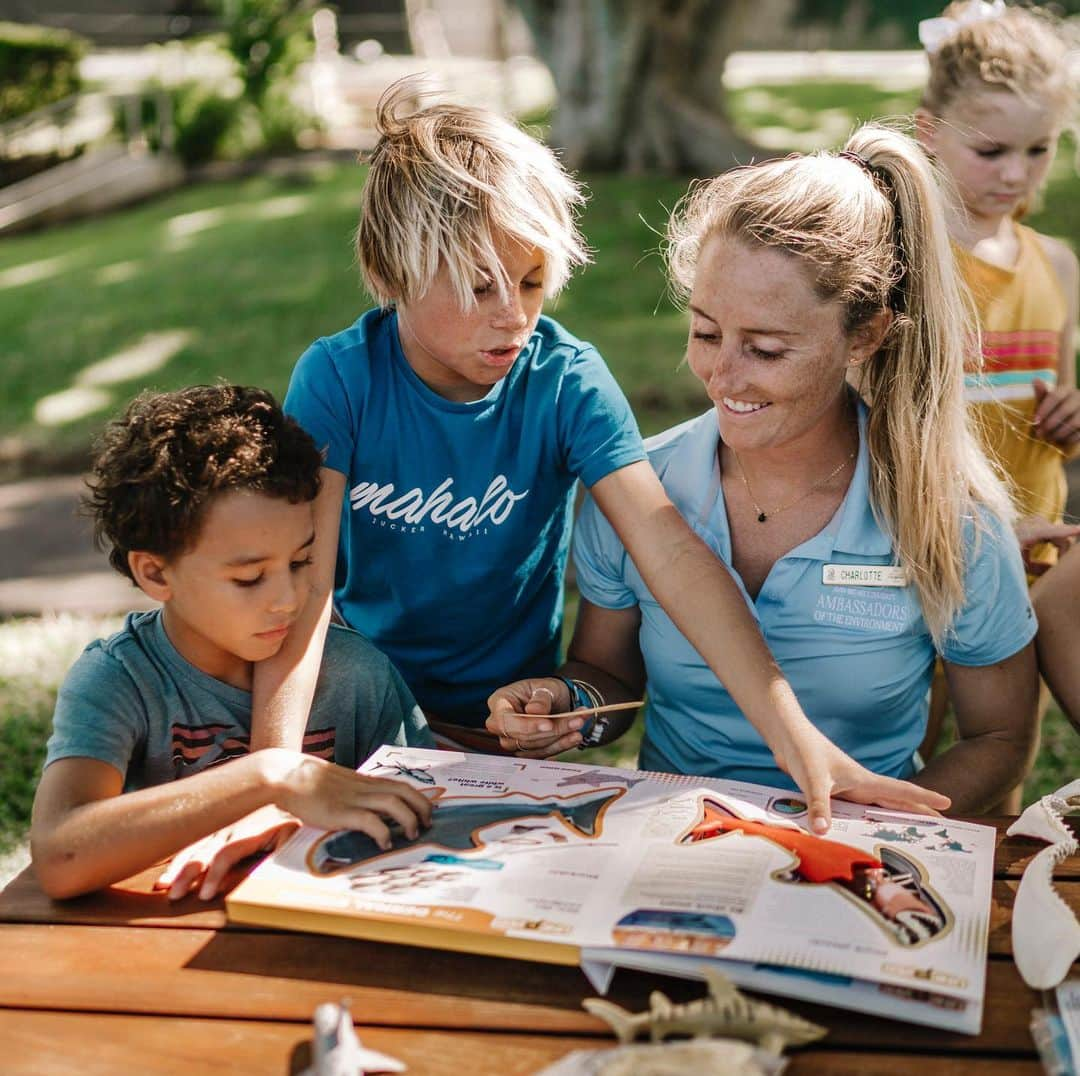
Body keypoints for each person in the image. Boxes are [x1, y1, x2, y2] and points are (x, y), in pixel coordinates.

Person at [263, 80, 948, 835]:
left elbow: (673, 554)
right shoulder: (339, 379)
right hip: (365, 715)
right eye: (477, 286)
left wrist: (799, 741)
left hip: (510, 732)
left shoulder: (565, 382)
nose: (512, 316)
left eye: (529, 282)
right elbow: (304, 585)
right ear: (392, 275)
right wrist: (276, 769)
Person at [487, 124, 1040, 816]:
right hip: (672, 839)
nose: (722, 377)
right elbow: (606, 676)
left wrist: (871, 831)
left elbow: (1001, 735)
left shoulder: (949, 514)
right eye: (707, 332)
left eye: (767, 349)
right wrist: (569, 707)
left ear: (863, 336)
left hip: (852, 851)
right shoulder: (638, 489)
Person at [30, 386, 433, 901]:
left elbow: (425, 830)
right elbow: (60, 857)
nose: (288, 600)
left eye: (301, 562)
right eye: (249, 578)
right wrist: (269, 774)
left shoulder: (357, 675)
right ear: (155, 572)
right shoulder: (119, 680)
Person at [913, 1, 1080, 787]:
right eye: (991, 150)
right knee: (908, 741)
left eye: (1038, 150)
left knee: (997, 755)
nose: (1016, 173)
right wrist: (978, 523)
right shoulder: (911, 259)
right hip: (925, 546)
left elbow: (1049, 397)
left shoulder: (1059, 265)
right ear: (928, 133)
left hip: (1035, 545)